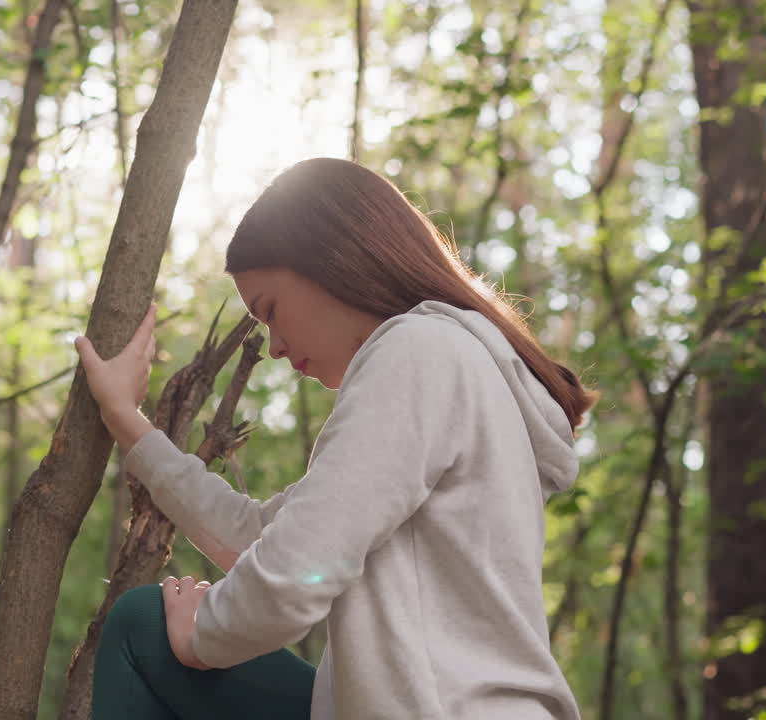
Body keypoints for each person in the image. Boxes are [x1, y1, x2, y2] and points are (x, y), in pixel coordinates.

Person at [75, 157, 597, 719]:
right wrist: (126, 419)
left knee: (143, 627)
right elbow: (266, 537)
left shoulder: (421, 351)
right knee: (146, 625)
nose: (273, 346)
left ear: (333, 261)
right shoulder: (452, 368)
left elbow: (295, 574)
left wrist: (201, 636)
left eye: (271, 311)